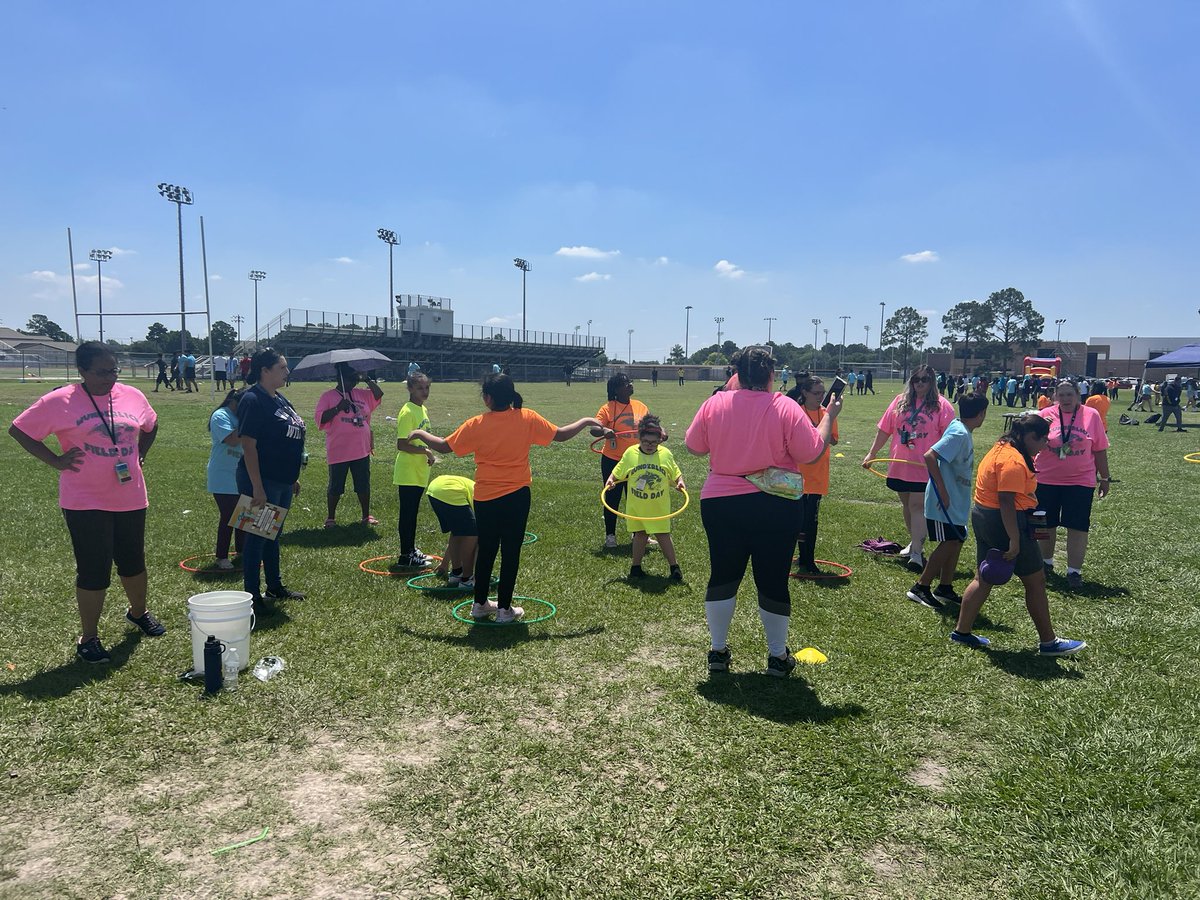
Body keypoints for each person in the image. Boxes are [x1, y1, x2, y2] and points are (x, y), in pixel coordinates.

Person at [685, 346, 839, 677]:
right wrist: (828, 417)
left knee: (723, 575)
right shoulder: (784, 405)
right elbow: (811, 452)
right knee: (771, 579)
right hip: (775, 504)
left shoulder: (715, 403)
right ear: (772, 376)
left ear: (737, 374)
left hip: (721, 502)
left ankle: (717, 651)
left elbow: (694, 447)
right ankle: (776, 657)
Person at [9, 342, 165, 662]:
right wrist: (55, 460)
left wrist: (141, 453)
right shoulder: (60, 401)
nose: (110, 377)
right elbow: (20, 429)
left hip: (131, 494)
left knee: (133, 562)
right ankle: (89, 638)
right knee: (94, 570)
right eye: (101, 372)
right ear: (82, 371)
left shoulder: (131, 395)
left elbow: (150, 424)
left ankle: (138, 613)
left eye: (114, 370)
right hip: (85, 499)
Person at [410, 373, 610, 622]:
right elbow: (560, 434)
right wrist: (587, 420)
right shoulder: (527, 418)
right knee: (510, 551)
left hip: (485, 497)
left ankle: (480, 604)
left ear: (488, 399)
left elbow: (443, 445)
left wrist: (420, 432)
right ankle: (504, 609)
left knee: (487, 550)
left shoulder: (477, 424)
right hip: (516, 496)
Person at [949, 414, 1086, 656]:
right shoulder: (1012, 460)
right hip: (1007, 521)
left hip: (984, 515)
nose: (1045, 445)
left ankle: (961, 632)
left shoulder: (1002, 446)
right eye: (1042, 440)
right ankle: (1049, 642)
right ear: (1028, 436)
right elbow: (1006, 501)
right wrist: (1014, 539)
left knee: (983, 576)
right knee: (1035, 581)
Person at [863, 365, 956, 573]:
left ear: (932, 381)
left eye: (925, 379)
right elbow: (884, 429)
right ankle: (915, 543)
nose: (920, 383)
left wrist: (947, 462)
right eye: (916, 379)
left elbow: (950, 437)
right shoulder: (900, 401)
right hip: (900, 463)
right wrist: (872, 453)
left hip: (925, 465)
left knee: (917, 506)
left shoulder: (942, 406)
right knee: (906, 504)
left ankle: (916, 553)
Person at [236, 347, 307, 608]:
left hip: (282, 480)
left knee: (272, 535)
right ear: (264, 371)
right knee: (256, 538)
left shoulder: (279, 398)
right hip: (261, 481)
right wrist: (257, 487)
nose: (287, 372)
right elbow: (249, 446)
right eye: (282, 368)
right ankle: (252, 596)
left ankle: (274, 586)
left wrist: (292, 477)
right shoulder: (252, 399)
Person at [906, 394, 989, 610]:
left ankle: (945, 586)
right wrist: (942, 490)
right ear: (981, 414)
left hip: (956, 501)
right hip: (944, 501)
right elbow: (929, 456)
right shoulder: (959, 433)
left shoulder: (960, 428)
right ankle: (921, 587)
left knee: (957, 539)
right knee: (950, 541)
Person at [1035, 380, 1111, 590]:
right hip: (1045, 479)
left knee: (1077, 526)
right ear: (1055, 396)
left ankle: (1074, 571)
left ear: (1079, 395)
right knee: (1044, 524)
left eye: (1070, 395)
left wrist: (1104, 478)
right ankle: (1045, 563)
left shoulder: (1091, 415)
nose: (1066, 399)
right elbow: (1031, 443)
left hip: (1080, 481)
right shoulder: (1045, 415)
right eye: (1062, 395)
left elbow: (1100, 449)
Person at [605, 414, 685, 580]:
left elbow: (675, 472)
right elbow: (618, 471)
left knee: (663, 534)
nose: (650, 445)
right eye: (646, 441)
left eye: (654, 442)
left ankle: (674, 567)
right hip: (638, 506)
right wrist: (611, 481)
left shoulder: (665, 454)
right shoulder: (630, 453)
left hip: (658, 506)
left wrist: (680, 482)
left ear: (660, 440)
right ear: (639, 438)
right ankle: (635, 567)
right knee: (640, 534)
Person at [315, 364, 383, 528]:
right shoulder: (328, 397)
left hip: (361, 449)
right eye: (350, 378)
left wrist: (366, 378)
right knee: (336, 486)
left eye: (354, 378)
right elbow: (320, 419)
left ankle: (366, 516)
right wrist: (338, 407)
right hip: (339, 450)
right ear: (340, 378)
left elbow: (378, 395)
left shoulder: (360, 394)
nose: (353, 381)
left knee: (363, 484)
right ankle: (331, 518)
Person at [787, 372, 838, 575]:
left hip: (817, 476)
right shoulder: (795, 413)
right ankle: (800, 558)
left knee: (812, 521)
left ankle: (808, 560)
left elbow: (833, 439)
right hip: (797, 476)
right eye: (816, 393)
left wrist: (827, 421)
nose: (820, 396)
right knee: (796, 520)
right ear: (805, 392)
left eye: (822, 393)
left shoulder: (828, 413)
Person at [591, 373, 649, 549]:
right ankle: (610, 535)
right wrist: (604, 430)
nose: (630, 385)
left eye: (630, 382)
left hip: (636, 460)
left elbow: (650, 425)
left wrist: (660, 431)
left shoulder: (640, 406)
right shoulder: (607, 408)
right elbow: (594, 428)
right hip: (613, 460)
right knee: (612, 498)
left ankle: (637, 534)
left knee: (636, 498)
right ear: (616, 389)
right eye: (625, 383)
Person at [393, 372, 434, 566]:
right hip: (408, 471)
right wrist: (425, 451)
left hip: (418, 471)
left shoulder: (422, 409)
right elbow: (402, 444)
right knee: (408, 514)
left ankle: (410, 549)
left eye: (427, 388)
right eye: (420, 388)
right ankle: (405, 555)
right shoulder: (408, 411)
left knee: (413, 513)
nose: (424, 392)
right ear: (410, 389)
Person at [207, 388, 246, 570]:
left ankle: (242, 550)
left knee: (244, 514)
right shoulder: (220, 415)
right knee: (229, 515)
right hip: (223, 475)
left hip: (242, 474)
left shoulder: (241, 417)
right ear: (235, 402)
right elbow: (231, 439)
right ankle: (221, 557)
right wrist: (248, 422)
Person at [427, 474, 478, 588]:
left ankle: (456, 573)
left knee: (458, 532)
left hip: (434, 489)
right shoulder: (487, 507)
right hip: (450, 490)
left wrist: (444, 563)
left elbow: (458, 535)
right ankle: (467, 579)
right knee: (472, 534)